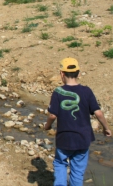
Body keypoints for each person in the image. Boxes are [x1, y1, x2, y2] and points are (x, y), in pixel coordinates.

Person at [44, 58, 111, 186]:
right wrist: (106, 128)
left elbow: (52, 115)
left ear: (61, 74)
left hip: (64, 138)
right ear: (79, 73)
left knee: (60, 163)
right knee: (77, 170)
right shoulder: (87, 91)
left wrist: (47, 125)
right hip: (83, 138)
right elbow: (98, 113)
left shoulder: (58, 92)